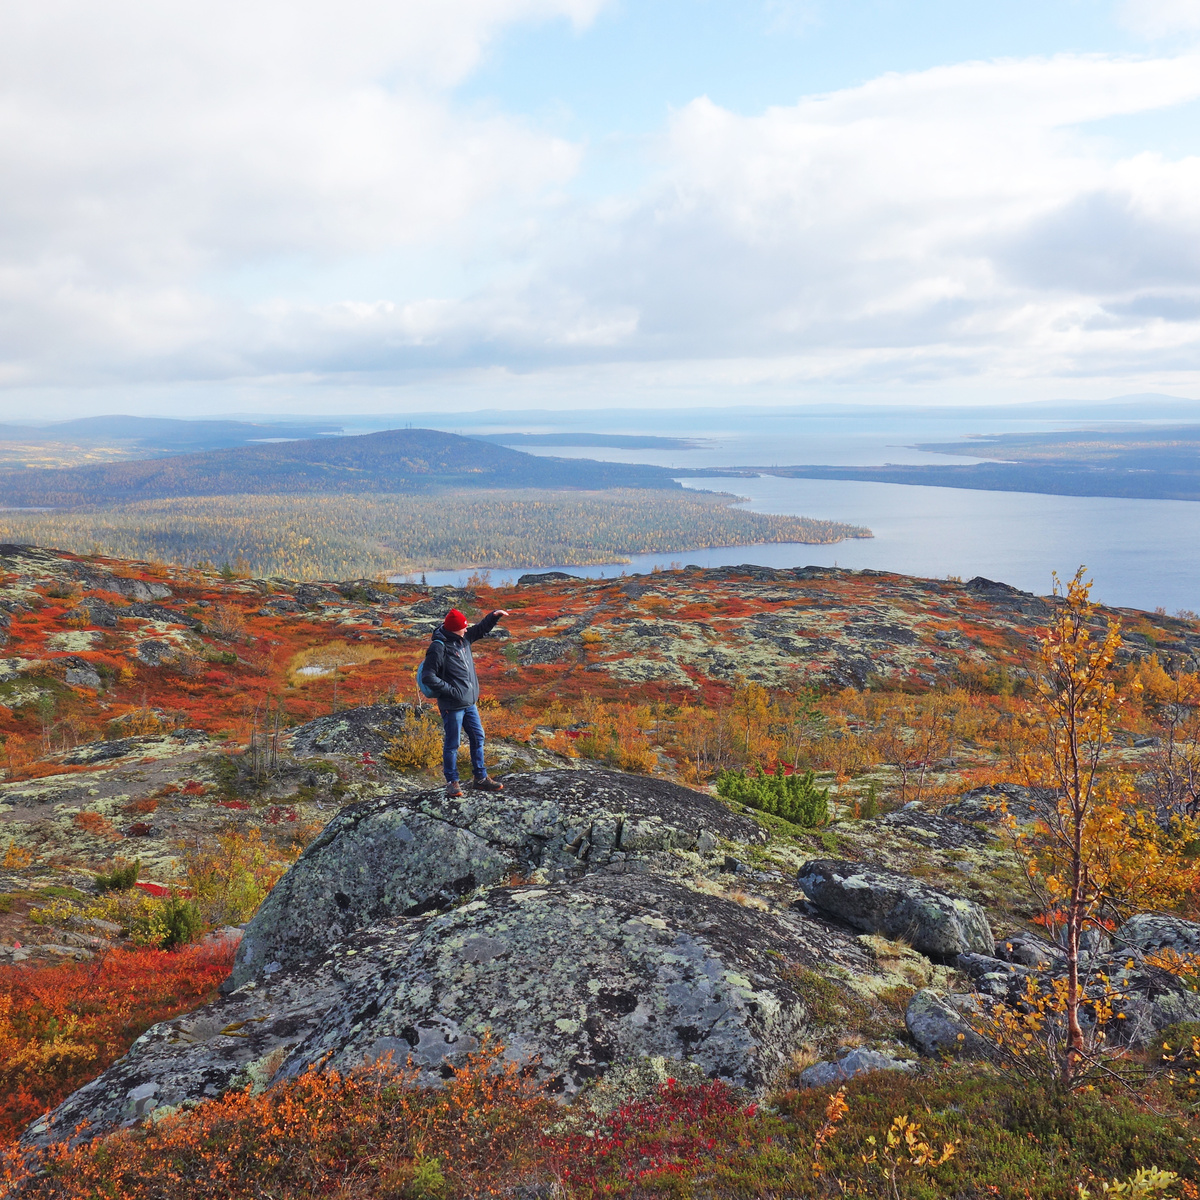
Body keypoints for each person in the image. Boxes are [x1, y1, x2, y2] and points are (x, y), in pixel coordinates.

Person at [422, 606, 509, 797]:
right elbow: (428, 676)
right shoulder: (439, 647)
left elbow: (481, 629)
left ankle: (480, 778)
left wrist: (494, 616)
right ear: (455, 629)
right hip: (452, 705)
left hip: (469, 703)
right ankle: (452, 782)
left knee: (478, 737)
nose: (467, 628)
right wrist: (452, 691)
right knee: (453, 744)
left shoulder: (464, 638)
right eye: (463, 626)